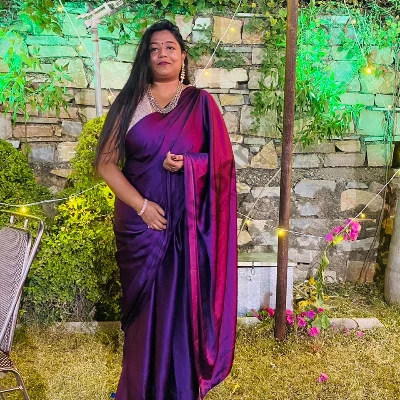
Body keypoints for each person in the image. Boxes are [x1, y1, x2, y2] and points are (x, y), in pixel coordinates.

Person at [95, 19, 237, 400]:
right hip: (141, 230)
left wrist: (190, 164)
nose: (162, 54)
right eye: (155, 48)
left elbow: (222, 165)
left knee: (181, 317)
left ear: (183, 56)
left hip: (185, 230)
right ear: (146, 56)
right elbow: (105, 164)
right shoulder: (130, 102)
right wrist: (142, 207)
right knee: (143, 322)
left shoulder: (201, 104)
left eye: (170, 47)